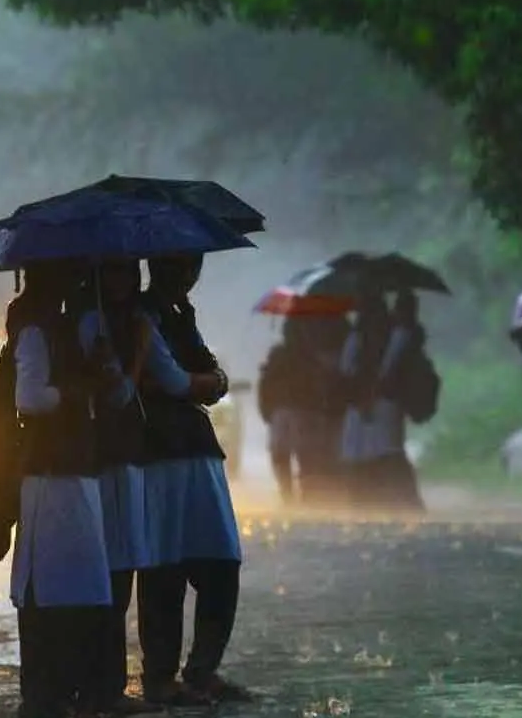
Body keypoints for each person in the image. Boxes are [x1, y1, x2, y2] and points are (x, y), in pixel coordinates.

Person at [136, 253, 251, 705]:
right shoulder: (142, 315)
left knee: (221, 562)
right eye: (179, 264)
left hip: (196, 449)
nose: (187, 273)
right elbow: (180, 381)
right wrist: (205, 381)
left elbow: (205, 376)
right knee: (164, 566)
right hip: (159, 451)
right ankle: (161, 678)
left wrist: (205, 380)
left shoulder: (182, 314)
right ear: (156, 265)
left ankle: (202, 670)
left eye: (192, 265)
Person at [7, 262, 113, 718]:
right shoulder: (36, 328)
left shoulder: (64, 325)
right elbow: (29, 397)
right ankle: (44, 694)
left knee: (75, 579)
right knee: (49, 584)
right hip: (50, 471)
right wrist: (75, 392)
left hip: (73, 468)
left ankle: (63, 688)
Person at [73, 261, 161, 716]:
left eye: (129, 272)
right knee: (111, 574)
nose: (124, 280)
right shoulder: (94, 324)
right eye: (115, 272)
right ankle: (102, 688)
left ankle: (106, 686)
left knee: (120, 573)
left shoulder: (122, 320)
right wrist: (142, 351)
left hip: (124, 458)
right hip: (106, 461)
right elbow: (119, 393)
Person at [336, 291, 431, 512]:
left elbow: (352, 372)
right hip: (377, 402)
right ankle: (384, 501)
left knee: (380, 455)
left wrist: (364, 398)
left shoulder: (377, 336)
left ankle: (378, 501)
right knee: (383, 454)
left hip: (374, 402)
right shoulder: (395, 334)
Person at [258, 316, 349, 505]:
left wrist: (266, 409)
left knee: (296, 455)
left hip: (297, 412)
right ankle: (295, 494)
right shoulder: (291, 356)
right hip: (292, 412)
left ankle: (295, 494)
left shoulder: (299, 356)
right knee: (293, 455)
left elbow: (265, 385)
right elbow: (266, 385)